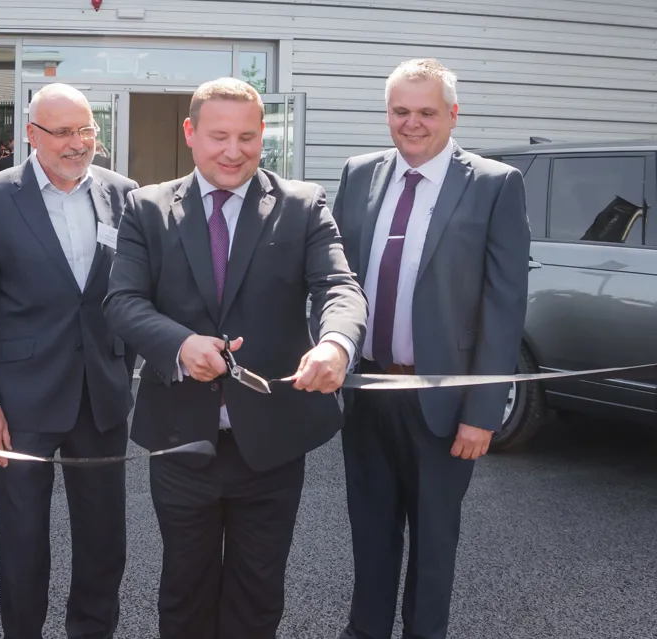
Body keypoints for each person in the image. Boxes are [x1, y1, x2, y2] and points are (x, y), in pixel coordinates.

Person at [103, 77, 368, 639]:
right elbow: (122, 302)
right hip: (181, 438)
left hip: (272, 442)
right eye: (219, 136)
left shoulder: (301, 204)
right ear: (191, 134)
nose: (234, 150)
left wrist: (335, 343)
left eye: (247, 136)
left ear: (263, 134)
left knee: (259, 590)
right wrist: (178, 343)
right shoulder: (146, 208)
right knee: (184, 588)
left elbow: (339, 287)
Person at [332, 58, 530, 639]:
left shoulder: (494, 183)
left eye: (426, 112)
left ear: (452, 113)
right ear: (387, 113)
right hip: (367, 391)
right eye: (400, 112)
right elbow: (337, 280)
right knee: (370, 539)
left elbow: (503, 305)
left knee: (434, 543)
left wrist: (482, 412)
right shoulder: (359, 172)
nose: (412, 123)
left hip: (443, 403)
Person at [0, 83, 138, 639]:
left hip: (101, 395)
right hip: (21, 401)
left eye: (85, 130)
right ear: (32, 136)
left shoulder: (125, 193)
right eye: (61, 132)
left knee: (104, 538)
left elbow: (131, 294)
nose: (76, 143)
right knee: (22, 540)